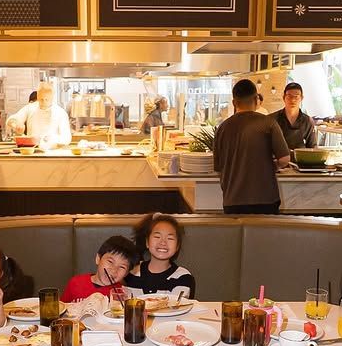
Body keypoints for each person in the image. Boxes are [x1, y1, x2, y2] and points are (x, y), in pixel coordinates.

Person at [213, 79, 291, 214]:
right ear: (256, 99)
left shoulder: (222, 128)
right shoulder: (269, 123)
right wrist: (272, 166)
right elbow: (284, 159)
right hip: (265, 199)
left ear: (234, 102)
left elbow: (218, 168)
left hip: (233, 201)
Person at [125, 212, 196, 299]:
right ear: (147, 242)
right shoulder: (130, 271)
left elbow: (177, 306)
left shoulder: (183, 277)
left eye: (170, 238)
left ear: (177, 246)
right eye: (157, 237)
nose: (163, 242)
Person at [60, 235, 139, 303]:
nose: (114, 270)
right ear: (98, 259)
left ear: (126, 273)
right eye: (110, 261)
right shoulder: (76, 283)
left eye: (122, 267)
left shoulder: (122, 294)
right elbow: (62, 310)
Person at [5, 84, 71, 148]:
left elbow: (67, 138)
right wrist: (16, 125)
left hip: (53, 151)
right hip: (31, 150)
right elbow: (11, 120)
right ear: (38, 97)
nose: (44, 102)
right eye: (41, 99)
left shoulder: (60, 112)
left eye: (47, 99)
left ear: (52, 98)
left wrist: (52, 139)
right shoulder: (30, 108)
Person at [270, 82, 317, 149]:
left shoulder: (307, 121)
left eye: (296, 96)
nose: (293, 100)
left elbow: (312, 147)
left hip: (301, 155)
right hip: (278, 155)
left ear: (301, 98)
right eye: (289, 96)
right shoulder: (272, 119)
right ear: (284, 97)